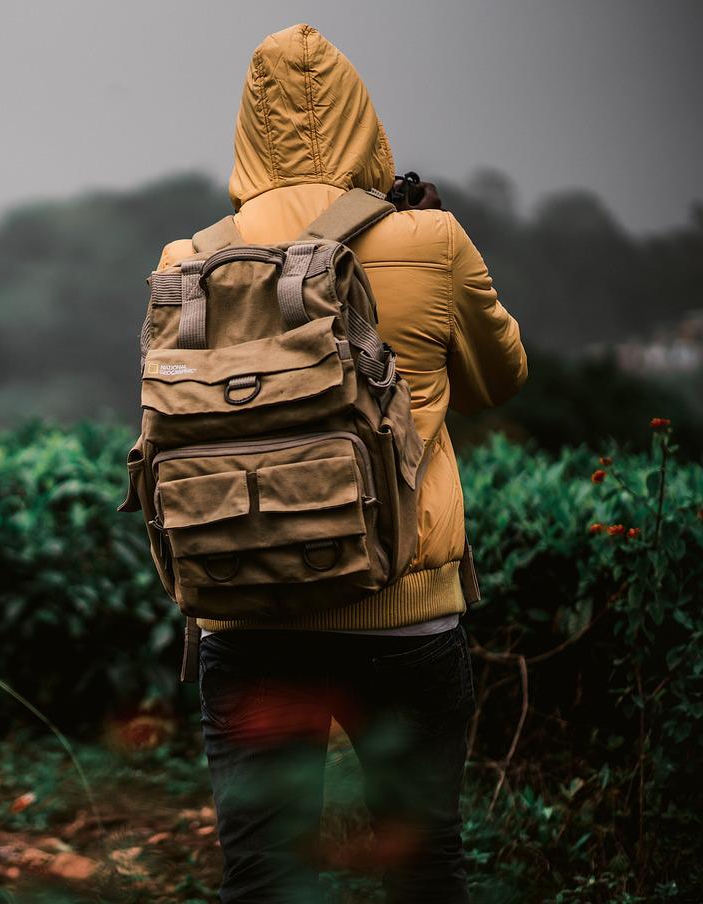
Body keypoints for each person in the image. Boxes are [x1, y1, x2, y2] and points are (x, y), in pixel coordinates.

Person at [151, 24, 528, 904]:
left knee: (262, 878)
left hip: (246, 617)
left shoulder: (191, 261)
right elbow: (497, 379)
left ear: (247, 129)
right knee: (424, 866)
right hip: (404, 615)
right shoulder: (430, 237)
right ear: (365, 122)